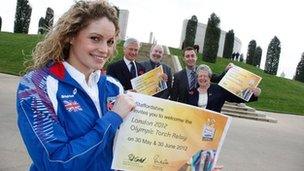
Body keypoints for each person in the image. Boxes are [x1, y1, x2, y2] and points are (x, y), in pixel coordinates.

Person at [16, 1, 135, 170]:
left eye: (110, 42)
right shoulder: (36, 85)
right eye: (95, 38)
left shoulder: (113, 87)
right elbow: (56, 163)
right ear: (71, 36)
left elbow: (122, 151)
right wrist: (113, 118)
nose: (104, 50)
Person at [187, 64, 261, 112]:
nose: (202, 78)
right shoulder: (191, 91)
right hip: (194, 126)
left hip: (212, 127)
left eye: (205, 76)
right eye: (200, 76)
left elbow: (236, 97)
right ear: (197, 78)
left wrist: (253, 94)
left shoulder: (219, 89)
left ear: (210, 77)